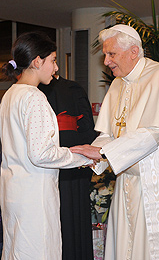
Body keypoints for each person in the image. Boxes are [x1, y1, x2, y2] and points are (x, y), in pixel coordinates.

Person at [70, 24, 159, 260]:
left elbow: (154, 132)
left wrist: (104, 153)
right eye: (105, 55)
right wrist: (92, 154)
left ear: (133, 51)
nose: (107, 61)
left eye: (111, 54)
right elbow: (110, 132)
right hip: (129, 179)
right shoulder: (119, 83)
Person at [0, 31, 101, 260]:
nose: (56, 69)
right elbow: (40, 154)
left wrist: (72, 151)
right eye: (53, 60)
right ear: (37, 61)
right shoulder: (34, 97)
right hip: (34, 195)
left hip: (14, 192)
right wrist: (83, 157)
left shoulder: (10, 95)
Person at [38, 75, 97, 260]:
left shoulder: (31, 92)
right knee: (75, 217)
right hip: (75, 159)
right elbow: (87, 127)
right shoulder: (73, 88)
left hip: (45, 162)